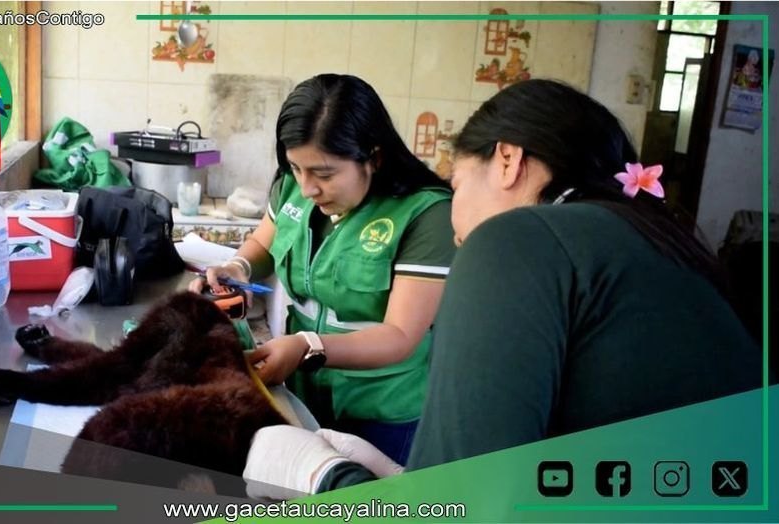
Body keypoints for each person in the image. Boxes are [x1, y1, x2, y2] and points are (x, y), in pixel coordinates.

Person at [241, 79, 763, 495]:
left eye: (458, 184)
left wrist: (326, 479)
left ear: (508, 161)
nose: (454, 221)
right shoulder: (658, 242)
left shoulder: (515, 241)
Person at [189, 74, 455, 464]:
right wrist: (239, 266)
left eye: (324, 174)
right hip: (302, 390)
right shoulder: (294, 185)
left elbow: (400, 335)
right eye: (296, 168)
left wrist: (307, 346)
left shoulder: (426, 214)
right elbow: (264, 242)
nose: (308, 187)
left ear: (374, 158)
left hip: (381, 409)